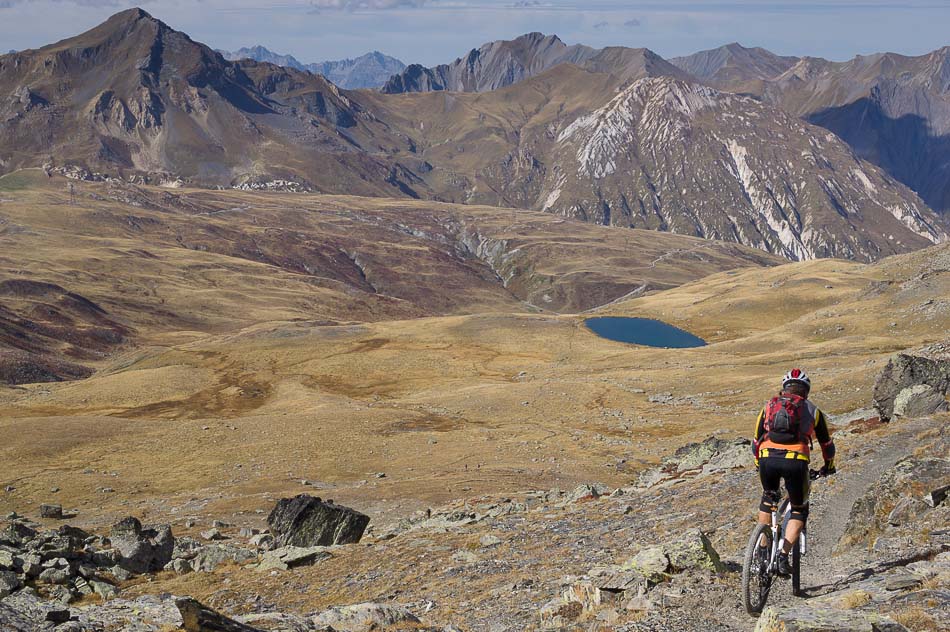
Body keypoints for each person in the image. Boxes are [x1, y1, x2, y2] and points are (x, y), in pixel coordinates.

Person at [752, 369, 836, 577]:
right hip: (796, 461)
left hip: (767, 458)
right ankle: (782, 556)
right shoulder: (813, 411)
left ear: (785, 388)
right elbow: (826, 444)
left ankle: (762, 550)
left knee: (768, 499)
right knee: (799, 509)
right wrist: (829, 466)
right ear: (806, 391)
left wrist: (758, 462)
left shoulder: (769, 406)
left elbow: (756, 439)